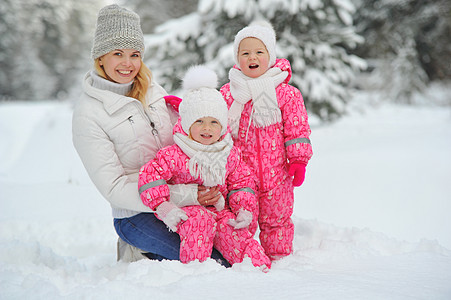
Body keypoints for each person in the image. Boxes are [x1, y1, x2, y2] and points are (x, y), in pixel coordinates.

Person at [72, 4, 227, 265]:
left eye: (135, 54)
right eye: (118, 53)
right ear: (100, 57)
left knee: (231, 249)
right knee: (210, 260)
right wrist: (187, 194)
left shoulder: (153, 90)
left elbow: (184, 136)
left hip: (188, 199)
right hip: (136, 214)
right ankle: (137, 249)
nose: (127, 63)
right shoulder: (89, 114)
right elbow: (114, 188)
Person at [138, 65, 271, 270]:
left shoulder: (228, 153)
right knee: (200, 222)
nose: (207, 128)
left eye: (213, 122)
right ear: (187, 124)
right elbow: (149, 176)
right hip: (190, 212)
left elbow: (242, 182)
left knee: (232, 230)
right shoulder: (174, 154)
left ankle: (259, 271)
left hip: (221, 210)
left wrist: (244, 209)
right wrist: (163, 206)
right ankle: (198, 273)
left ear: (223, 126)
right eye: (199, 121)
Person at [220, 21, 313, 261]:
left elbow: (297, 128)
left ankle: (279, 260)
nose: (252, 57)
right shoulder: (228, 94)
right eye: (245, 52)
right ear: (237, 58)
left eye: (259, 52)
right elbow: (215, 127)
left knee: (277, 221)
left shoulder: (287, 94)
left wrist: (298, 160)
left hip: (277, 175)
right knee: (242, 221)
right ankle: (246, 261)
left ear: (270, 56)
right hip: (241, 177)